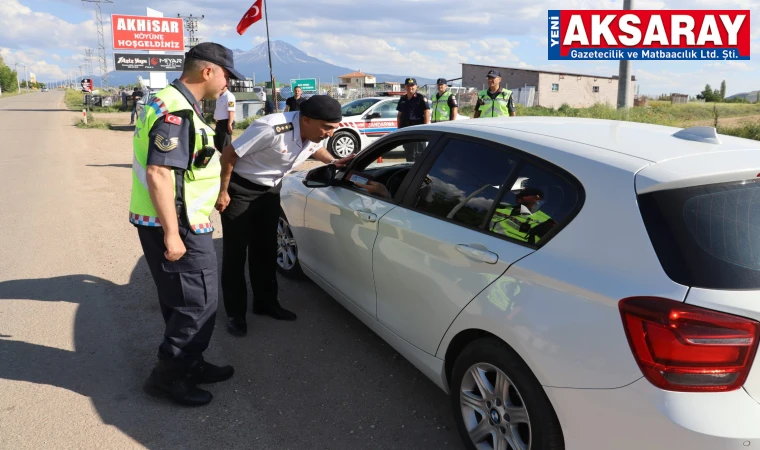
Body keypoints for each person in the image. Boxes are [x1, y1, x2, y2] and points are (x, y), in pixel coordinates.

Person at [129, 42, 246, 406]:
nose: (228, 84)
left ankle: (190, 362)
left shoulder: (172, 102)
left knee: (183, 301)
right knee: (198, 304)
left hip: (179, 220)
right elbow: (159, 173)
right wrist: (171, 234)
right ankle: (168, 377)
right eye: (226, 75)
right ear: (207, 71)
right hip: (179, 225)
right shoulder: (176, 110)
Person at [215, 95, 354, 337]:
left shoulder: (312, 133)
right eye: (327, 128)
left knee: (266, 249)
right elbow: (229, 154)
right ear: (307, 120)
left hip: (270, 190)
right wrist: (223, 191)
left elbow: (315, 148)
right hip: (240, 190)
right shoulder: (271, 128)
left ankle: (265, 303)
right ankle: (235, 313)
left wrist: (334, 162)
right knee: (236, 254)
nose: (330, 134)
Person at [489, 187, 555, 245]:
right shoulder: (501, 208)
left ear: (536, 199)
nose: (519, 196)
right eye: (519, 194)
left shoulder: (545, 221)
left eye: (524, 194)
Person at [396, 77, 430, 162]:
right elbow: (399, 115)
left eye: (412, 85)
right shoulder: (403, 99)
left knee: (419, 154)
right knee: (409, 152)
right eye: (408, 85)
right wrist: (399, 129)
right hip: (406, 130)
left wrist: (425, 128)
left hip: (418, 129)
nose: (410, 87)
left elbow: (427, 112)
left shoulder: (420, 98)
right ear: (405, 87)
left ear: (416, 86)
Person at [213, 85, 236, 152]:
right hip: (219, 123)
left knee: (225, 144)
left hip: (226, 122)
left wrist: (229, 124)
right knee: (217, 143)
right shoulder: (219, 96)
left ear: (226, 86)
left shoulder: (229, 96)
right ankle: (223, 157)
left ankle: (227, 159)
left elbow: (231, 111)